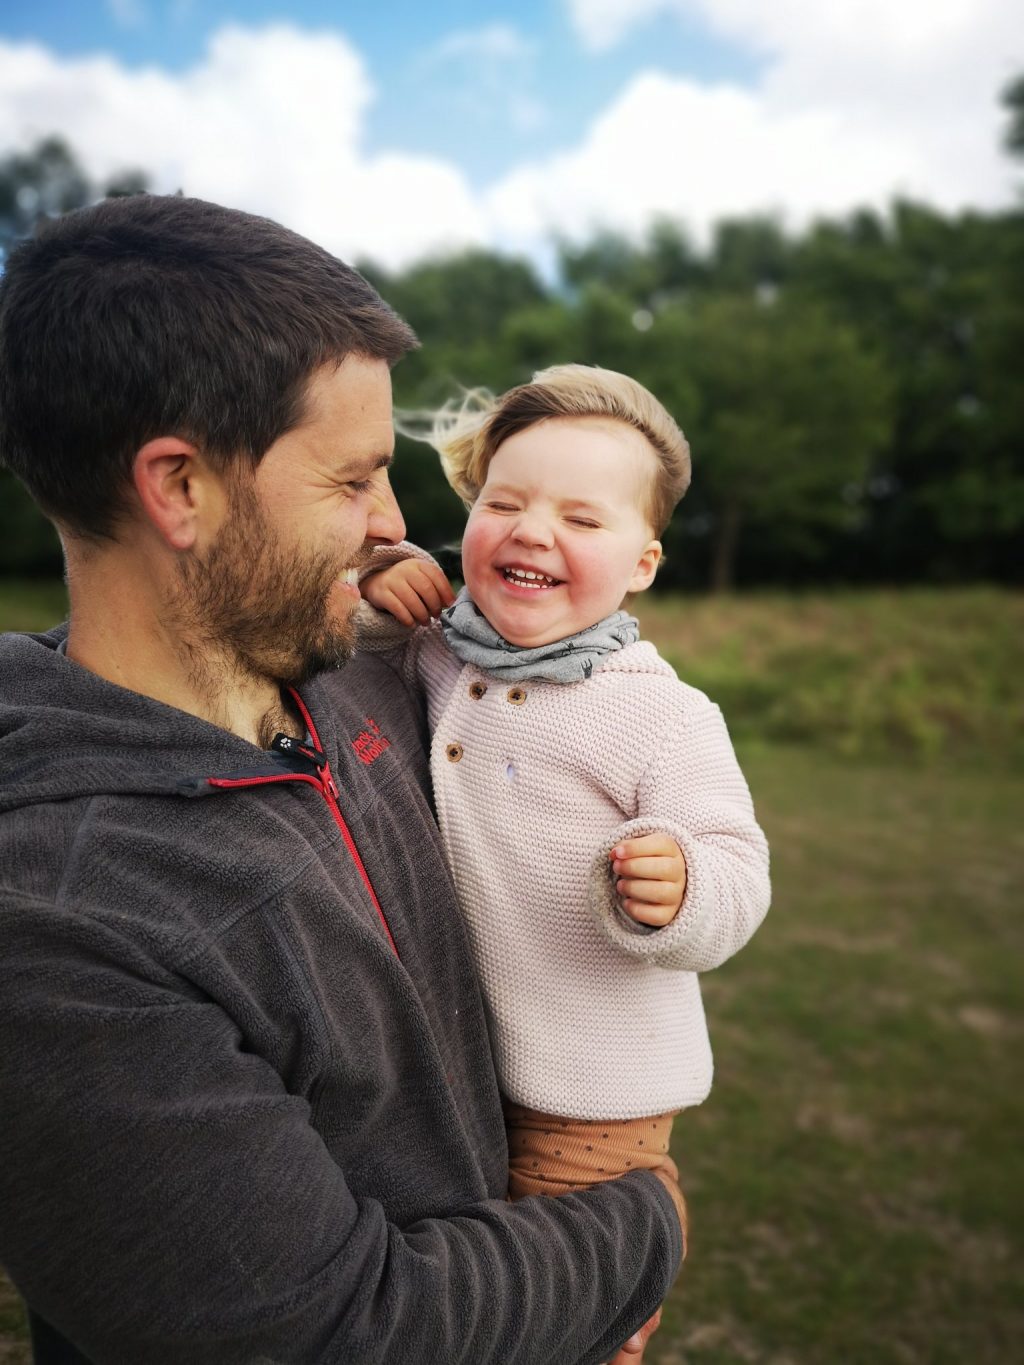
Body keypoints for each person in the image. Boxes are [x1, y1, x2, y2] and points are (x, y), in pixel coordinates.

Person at [0, 196, 684, 1365]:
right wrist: (641, 1227)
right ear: (180, 489)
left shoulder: (357, 679)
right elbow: (332, 1334)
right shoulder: (53, 922)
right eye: (353, 480)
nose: (394, 521)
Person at [357, 366, 771, 1226]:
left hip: (592, 1086)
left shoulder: (658, 712)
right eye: (504, 505)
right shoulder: (439, 650)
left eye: (582, 519)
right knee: (467, 1274)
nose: (534, 532)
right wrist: (377, 587)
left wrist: (684, 886)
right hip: (451, 1062)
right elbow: (338, 666)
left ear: (643, 563)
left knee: (570, 1280)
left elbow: (739, 867)